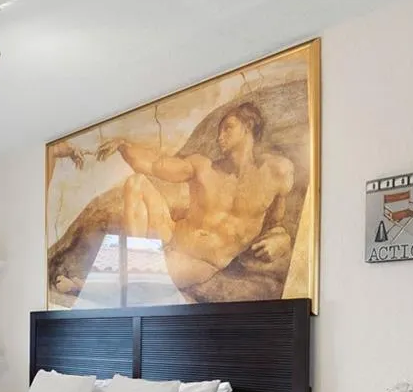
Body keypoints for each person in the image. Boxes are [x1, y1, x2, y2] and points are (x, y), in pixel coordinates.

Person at [98, 102, 295, 294]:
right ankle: (135, 258)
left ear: (248, 127)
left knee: (137, 279)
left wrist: (282, 240)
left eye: (228, 128)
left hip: (200, 261)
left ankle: (129, 272)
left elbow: (276, 224)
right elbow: (154, 165)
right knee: (137, 182)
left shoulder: (276, 172)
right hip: (171, 234)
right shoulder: (203, 167)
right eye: (219, 131)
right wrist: (123, 146)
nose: (220, 137)